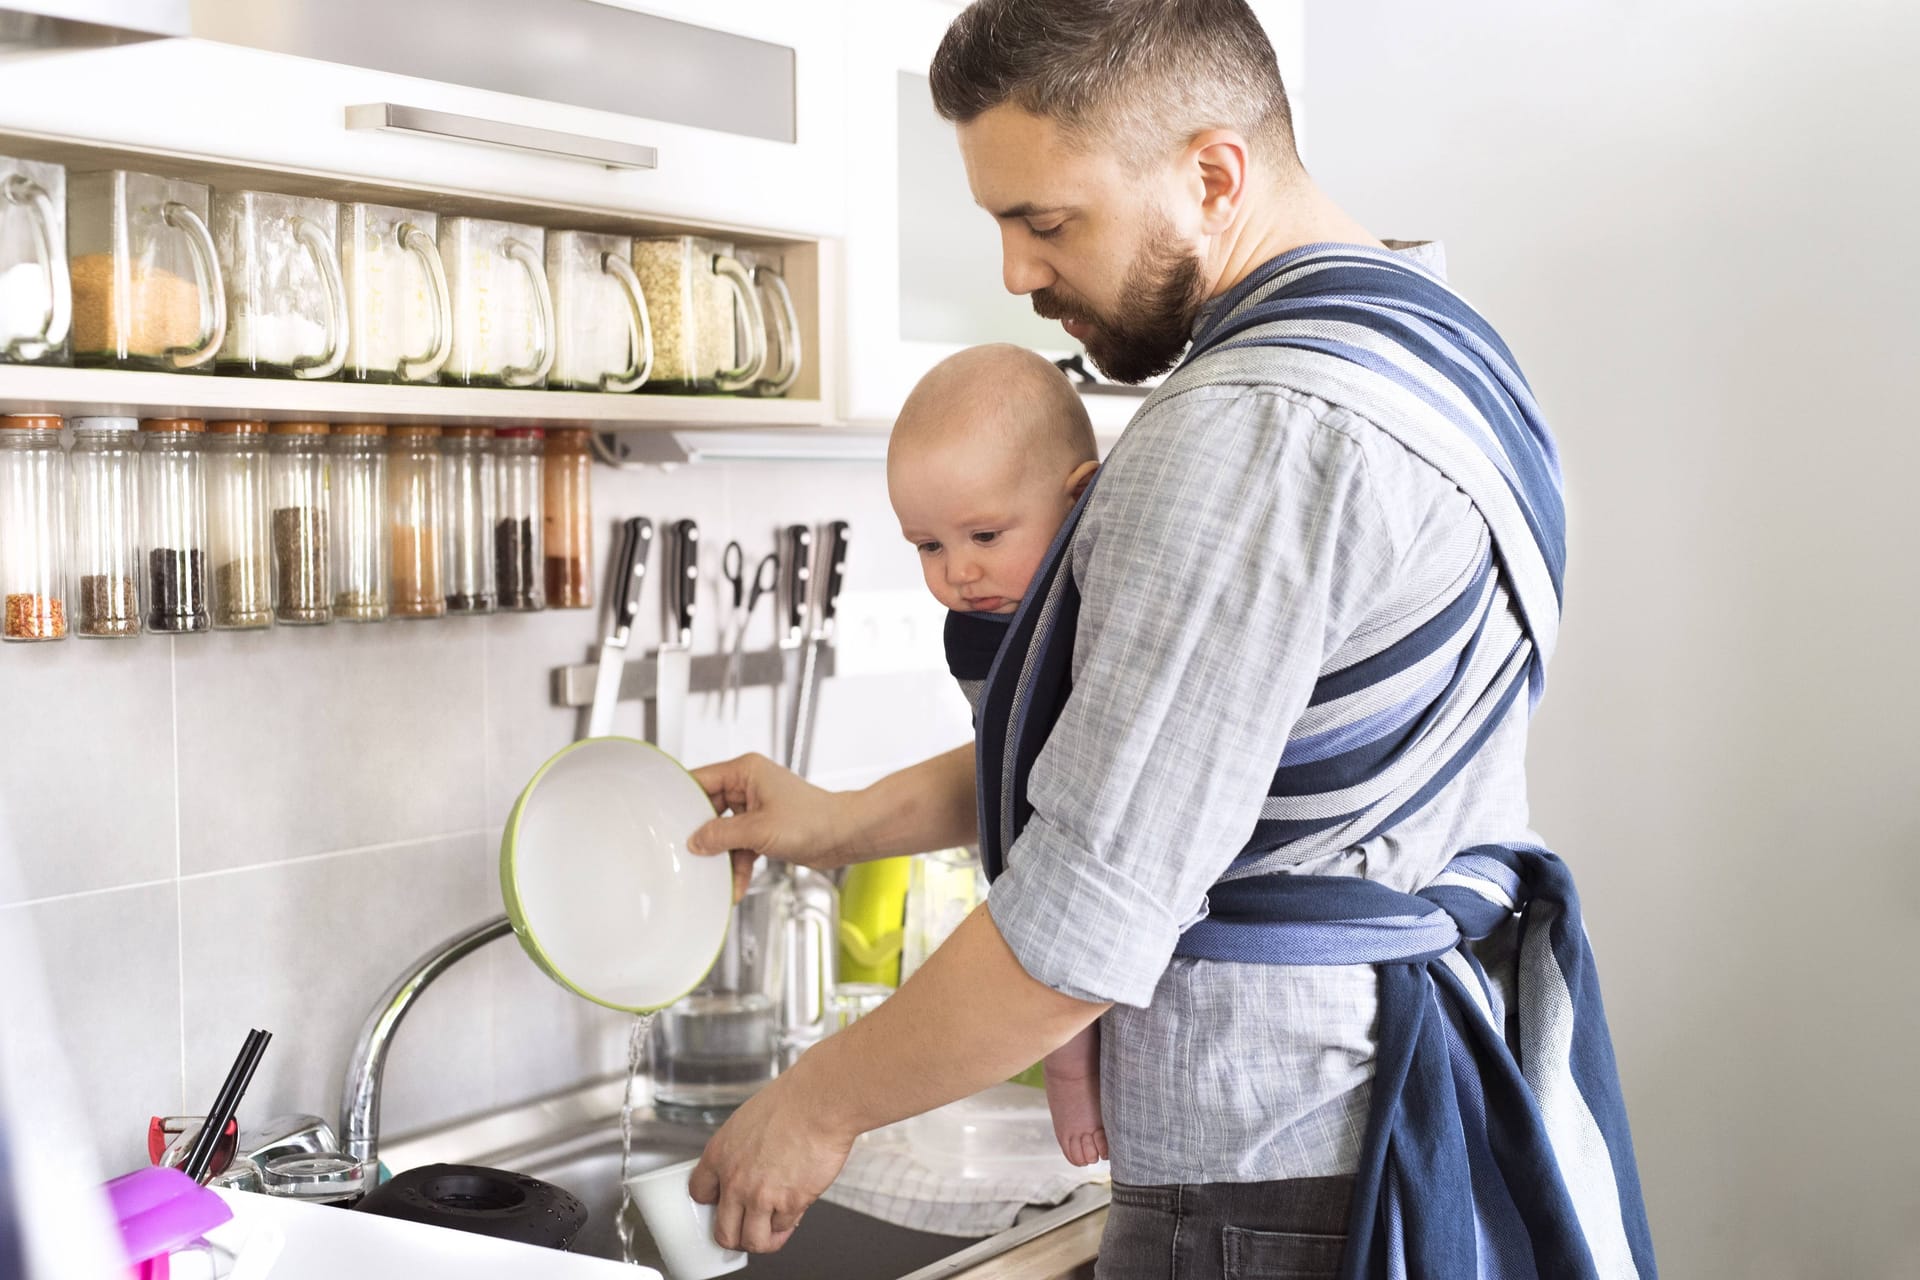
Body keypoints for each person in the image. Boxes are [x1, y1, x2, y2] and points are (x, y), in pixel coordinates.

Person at [687, 2, 1657, 1276]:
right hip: (1397, 1103)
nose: (1018, 274)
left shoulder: (1250, 430)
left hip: (1273, 1161)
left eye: (1046, 221)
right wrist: (837, 821)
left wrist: (813, 1105)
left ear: (1213, 174)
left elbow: (1077, 929)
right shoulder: (1442, 350)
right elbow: (1187, 765)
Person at [888, 343, 1106, 1167]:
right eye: (928, 547)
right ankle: (1069, 1072)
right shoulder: (977, 628)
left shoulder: (1105, 598)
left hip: (1086, 862)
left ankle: (1072, 1075)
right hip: (1026, 854)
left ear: (1081, 498)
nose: (959, 572)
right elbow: (1002, 750)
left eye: (982, 534)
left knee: (1070, 976)